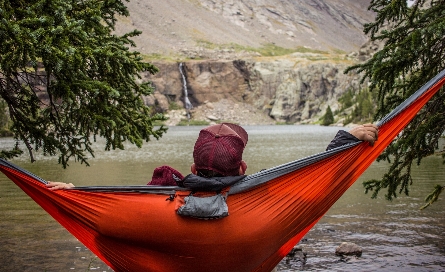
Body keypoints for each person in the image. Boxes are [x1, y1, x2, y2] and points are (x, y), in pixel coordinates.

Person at [46, 122, 378, 190]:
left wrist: (73, 193)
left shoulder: (159, 200)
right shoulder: (261, 196)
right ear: (242, 166)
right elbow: (317, 180)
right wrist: (344, 139)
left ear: (192, 167)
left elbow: (109, 210)